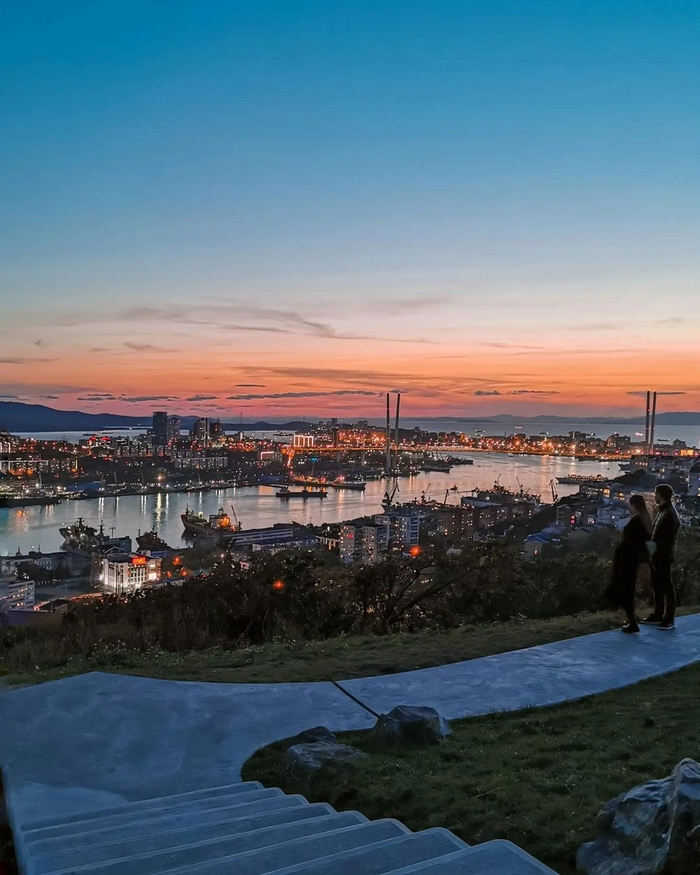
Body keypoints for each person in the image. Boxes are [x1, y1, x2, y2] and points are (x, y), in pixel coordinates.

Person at [605, 494, 652, 634]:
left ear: (634, 505)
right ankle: (631, 619)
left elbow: (633, 540)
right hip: (632, 558)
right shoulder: (646, 519)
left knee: (627, 588)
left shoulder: (638, 520)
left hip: (628, 559)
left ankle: (632, 621)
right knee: (628, 588)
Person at [640, 483, 680, 630]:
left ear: (661, 495)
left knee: (666, 587)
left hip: (663, 556)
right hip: (657, 556)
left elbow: (665, 539)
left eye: (655, 493)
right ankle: (658, 614)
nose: (653, 495)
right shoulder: (664, 511)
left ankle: (668, 618)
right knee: (657, 585)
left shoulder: (669, 514)